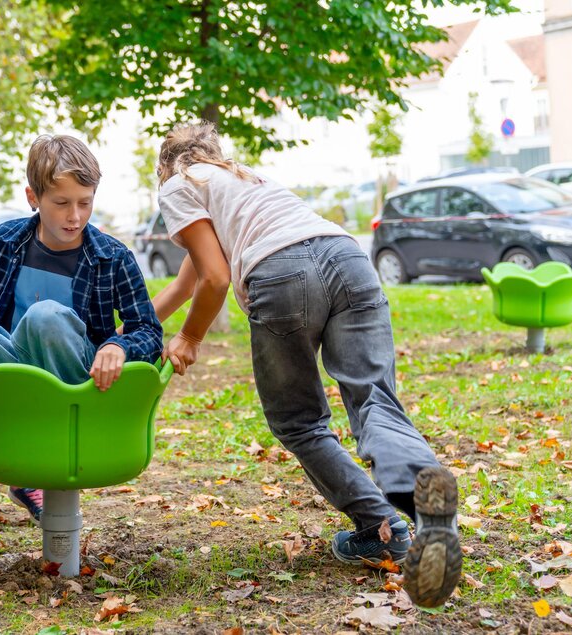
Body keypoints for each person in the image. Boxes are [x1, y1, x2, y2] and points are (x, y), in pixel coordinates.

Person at [151, 122, 460, 608]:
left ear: (167, 165)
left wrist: (190, 337)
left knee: (299, 421)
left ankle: (383, 527)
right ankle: (423, 501)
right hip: (347, 258)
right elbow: (185, 285)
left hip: (282, 275)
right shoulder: (244, 182)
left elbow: (214, 277)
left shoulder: (176, 185)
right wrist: (131, 334)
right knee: (375, 398)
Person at [0, 134, 163, 523]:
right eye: (61, 203)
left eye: (85, 202)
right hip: (16, 381)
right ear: (33, 197)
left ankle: (55, 436)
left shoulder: (113, 256)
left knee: (45, 317)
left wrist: (118, 345)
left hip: (74, 386)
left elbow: (148, 330)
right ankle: (21, 432)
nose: (74, 216)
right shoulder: (6, 242)